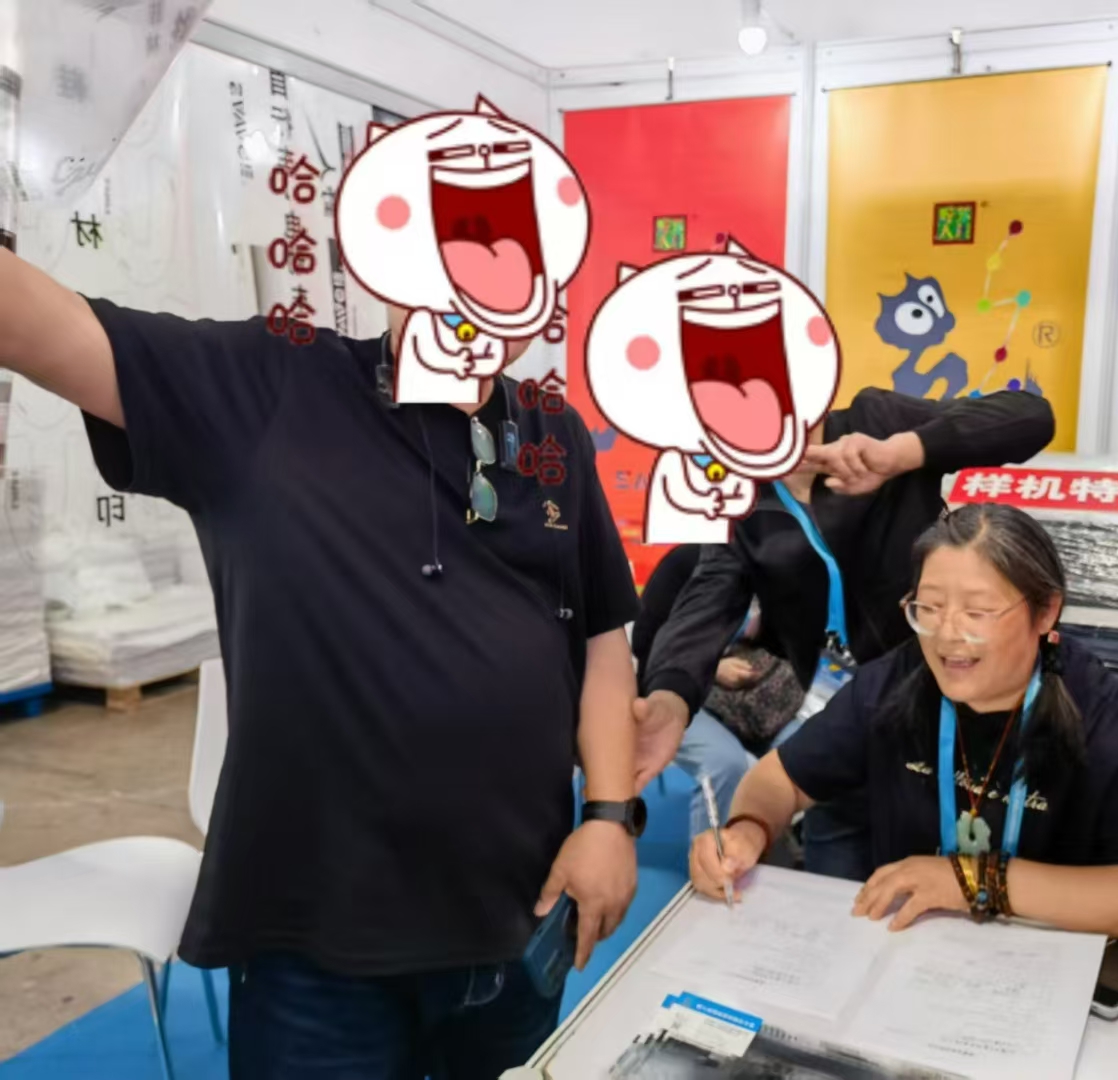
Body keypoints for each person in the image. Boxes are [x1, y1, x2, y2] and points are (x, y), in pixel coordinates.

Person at [0, 248, 644, 1078]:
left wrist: (609, 816)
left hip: (519, 910)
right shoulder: (269, 384)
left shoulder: (553, 434)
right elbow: (39, 324)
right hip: (313, 947)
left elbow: (599, 639)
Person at [690, 504, 1118, 947]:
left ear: (1045, 613)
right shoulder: (898, 680)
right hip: (911, 955)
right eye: (930, 607)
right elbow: (778, 779)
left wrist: (977, 882)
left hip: (1046, 968)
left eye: (978, 612)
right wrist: (747, 831)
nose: (947, 636)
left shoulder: (1095, 710)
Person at [632, 388, 1055, 879]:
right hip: (846, 719)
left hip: (948, 710)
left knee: (963, 879)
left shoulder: (877, 422)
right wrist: (670, 697)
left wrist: (902, 453)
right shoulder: (741, 500)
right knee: (835, 886)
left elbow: (1030, 418)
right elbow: (706, 600)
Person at [632, 544, 805, 839]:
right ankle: (711, 858)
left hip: (761, 707)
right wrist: (710, 669)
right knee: (724, 762)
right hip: (686, 699)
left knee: (811, 752)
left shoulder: (779, 567)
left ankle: (792, 849)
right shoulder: (686, 562)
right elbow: (644, 642)